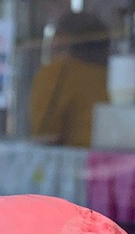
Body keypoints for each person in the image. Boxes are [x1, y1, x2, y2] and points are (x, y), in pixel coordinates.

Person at [29, 11, 110, 148]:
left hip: (78, 157)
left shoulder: (57, 73)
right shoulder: (116, 78)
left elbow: (44, 133)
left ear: (63, 39)